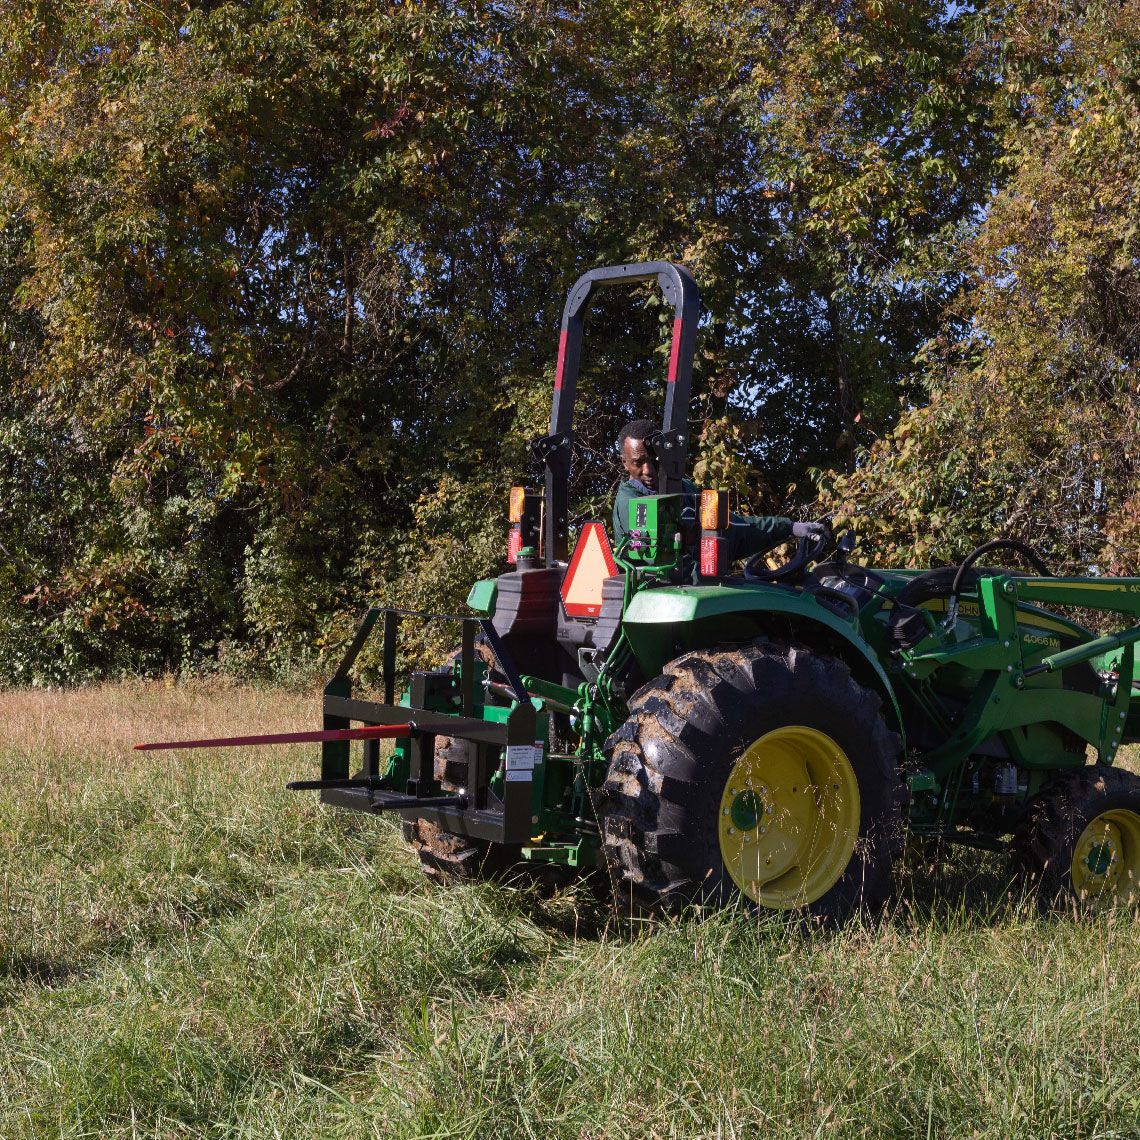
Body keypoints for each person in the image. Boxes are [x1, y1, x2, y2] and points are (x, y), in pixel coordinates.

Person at [611, 418, 827, 566]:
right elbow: (666, 564)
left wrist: (789, 527)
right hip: (658, 602)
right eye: (638, 463)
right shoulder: (632, 504)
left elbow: (731, 527)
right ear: (624, 463)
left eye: (653, 461)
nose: (647, 471)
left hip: (692, 592)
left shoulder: (685, 490)